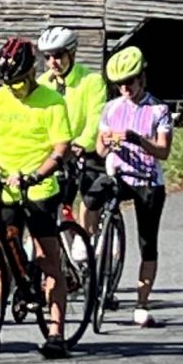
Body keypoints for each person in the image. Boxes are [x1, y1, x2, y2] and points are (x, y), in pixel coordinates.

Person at [0, 37, 72, 358]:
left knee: (48, 260)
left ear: (31, 73)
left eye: (18, 81)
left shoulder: (52, 101)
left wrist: (39, 173)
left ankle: (56, 332)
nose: (14, 87)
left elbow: (61, 148)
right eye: (9, 82)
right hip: (6, 186)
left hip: (39, 188)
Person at [94, 47, 173, 327]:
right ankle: (93, 246)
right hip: (119, 175)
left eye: (130, 81)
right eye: (120, 84)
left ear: (142, 79)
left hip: (148, 181)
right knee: (91, 197)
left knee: (147, 241)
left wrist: (135, 139)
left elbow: (163, 151)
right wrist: (104, 143)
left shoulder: (159, 110)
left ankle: (141, 302)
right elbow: (100, 150)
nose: (125, 88)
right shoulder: (111, 108)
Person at [38, 25, 107, 222]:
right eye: (48, 57)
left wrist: (81, 144)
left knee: (90, 200)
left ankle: (85, 243)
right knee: (48, 202)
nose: (53, 62)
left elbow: (96, 117)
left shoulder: (91, 80)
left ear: (72, 53)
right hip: (56, 152)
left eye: (59, 55)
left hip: (84, 149)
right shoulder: (42, 83)